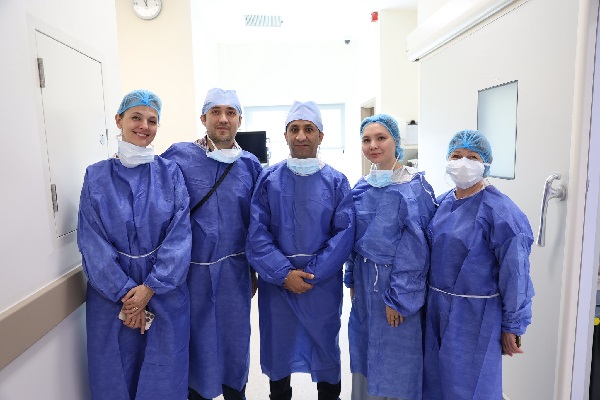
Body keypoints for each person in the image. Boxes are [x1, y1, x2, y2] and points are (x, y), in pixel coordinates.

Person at [77, 89, 192, 400]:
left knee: (164, 373)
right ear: (119, 120)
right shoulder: (96, 176)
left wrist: (149, 289)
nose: (144, 126)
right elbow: (92, 243)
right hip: (111, 297)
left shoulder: (171, 174)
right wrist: (128, 296)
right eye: (136, 117)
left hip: (164, 291)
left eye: (152, 120)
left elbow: (180, 237)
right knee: (115, 374)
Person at [246, 101, 355, 400]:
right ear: (285, 135)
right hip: (277, 286)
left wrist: (311, 274)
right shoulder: (269, 180)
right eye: (294, 129)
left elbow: (344, 234)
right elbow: (257, 233)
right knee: (279, 351)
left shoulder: (337, 182)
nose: (301, 136)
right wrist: (284, 274)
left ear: (321, 136)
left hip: (320, 286)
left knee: (325, 351)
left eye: (309, 129)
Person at [161, 88, 262, 400]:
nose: (223, 118)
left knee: (234, 343)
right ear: (203, 118)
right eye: (215, 112)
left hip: (235, 274)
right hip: (189, 274)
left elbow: (258, 224)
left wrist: (255, 270)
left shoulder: (250, 165)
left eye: (230, 112)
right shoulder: (178, 157)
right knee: (195, 345)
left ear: (239, 120)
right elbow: (154, 198)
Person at [422, 130, 534, 400]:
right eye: (456, 156)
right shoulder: (443, 202)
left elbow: (516, 276)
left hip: (475, 317)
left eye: (472, 157)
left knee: (471, 388)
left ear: (486, 164)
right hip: (434, 309)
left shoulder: (502, 213)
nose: (463, 163)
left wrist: (512, 326)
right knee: (433, 385)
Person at [344, 114, 437, 400]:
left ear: (396, 141)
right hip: (365, 285)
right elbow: (352, 239)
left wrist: (398, 299)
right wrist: (352, 278)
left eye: (381, 138)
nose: (373, 145)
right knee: (365, 351)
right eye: (366, 139)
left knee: (397, 358)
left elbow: (416, 251)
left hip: (397, 287)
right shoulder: (361, 187)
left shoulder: (414, 188)